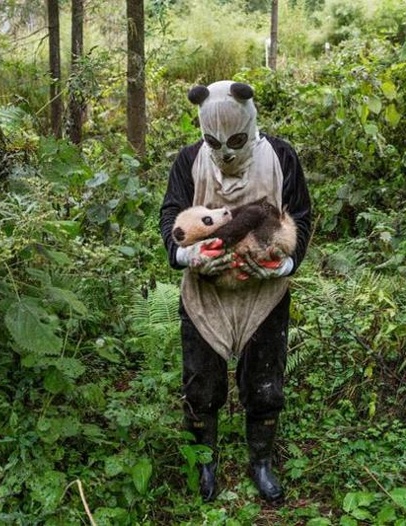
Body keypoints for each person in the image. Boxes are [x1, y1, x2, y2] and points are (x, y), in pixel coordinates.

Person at [159, 80, 311, 504]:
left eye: (235, 141)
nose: (225, 152)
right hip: (204, 294)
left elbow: (300, 213)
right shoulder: (189, 160)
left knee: (266, 384)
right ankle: (205, 461)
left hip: (265, 295)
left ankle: (260, 460)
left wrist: (286, 263)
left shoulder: (281, 157)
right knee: (200, 384)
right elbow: (171, 214)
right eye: (214, 142)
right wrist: (187, 257)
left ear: (250, 121)